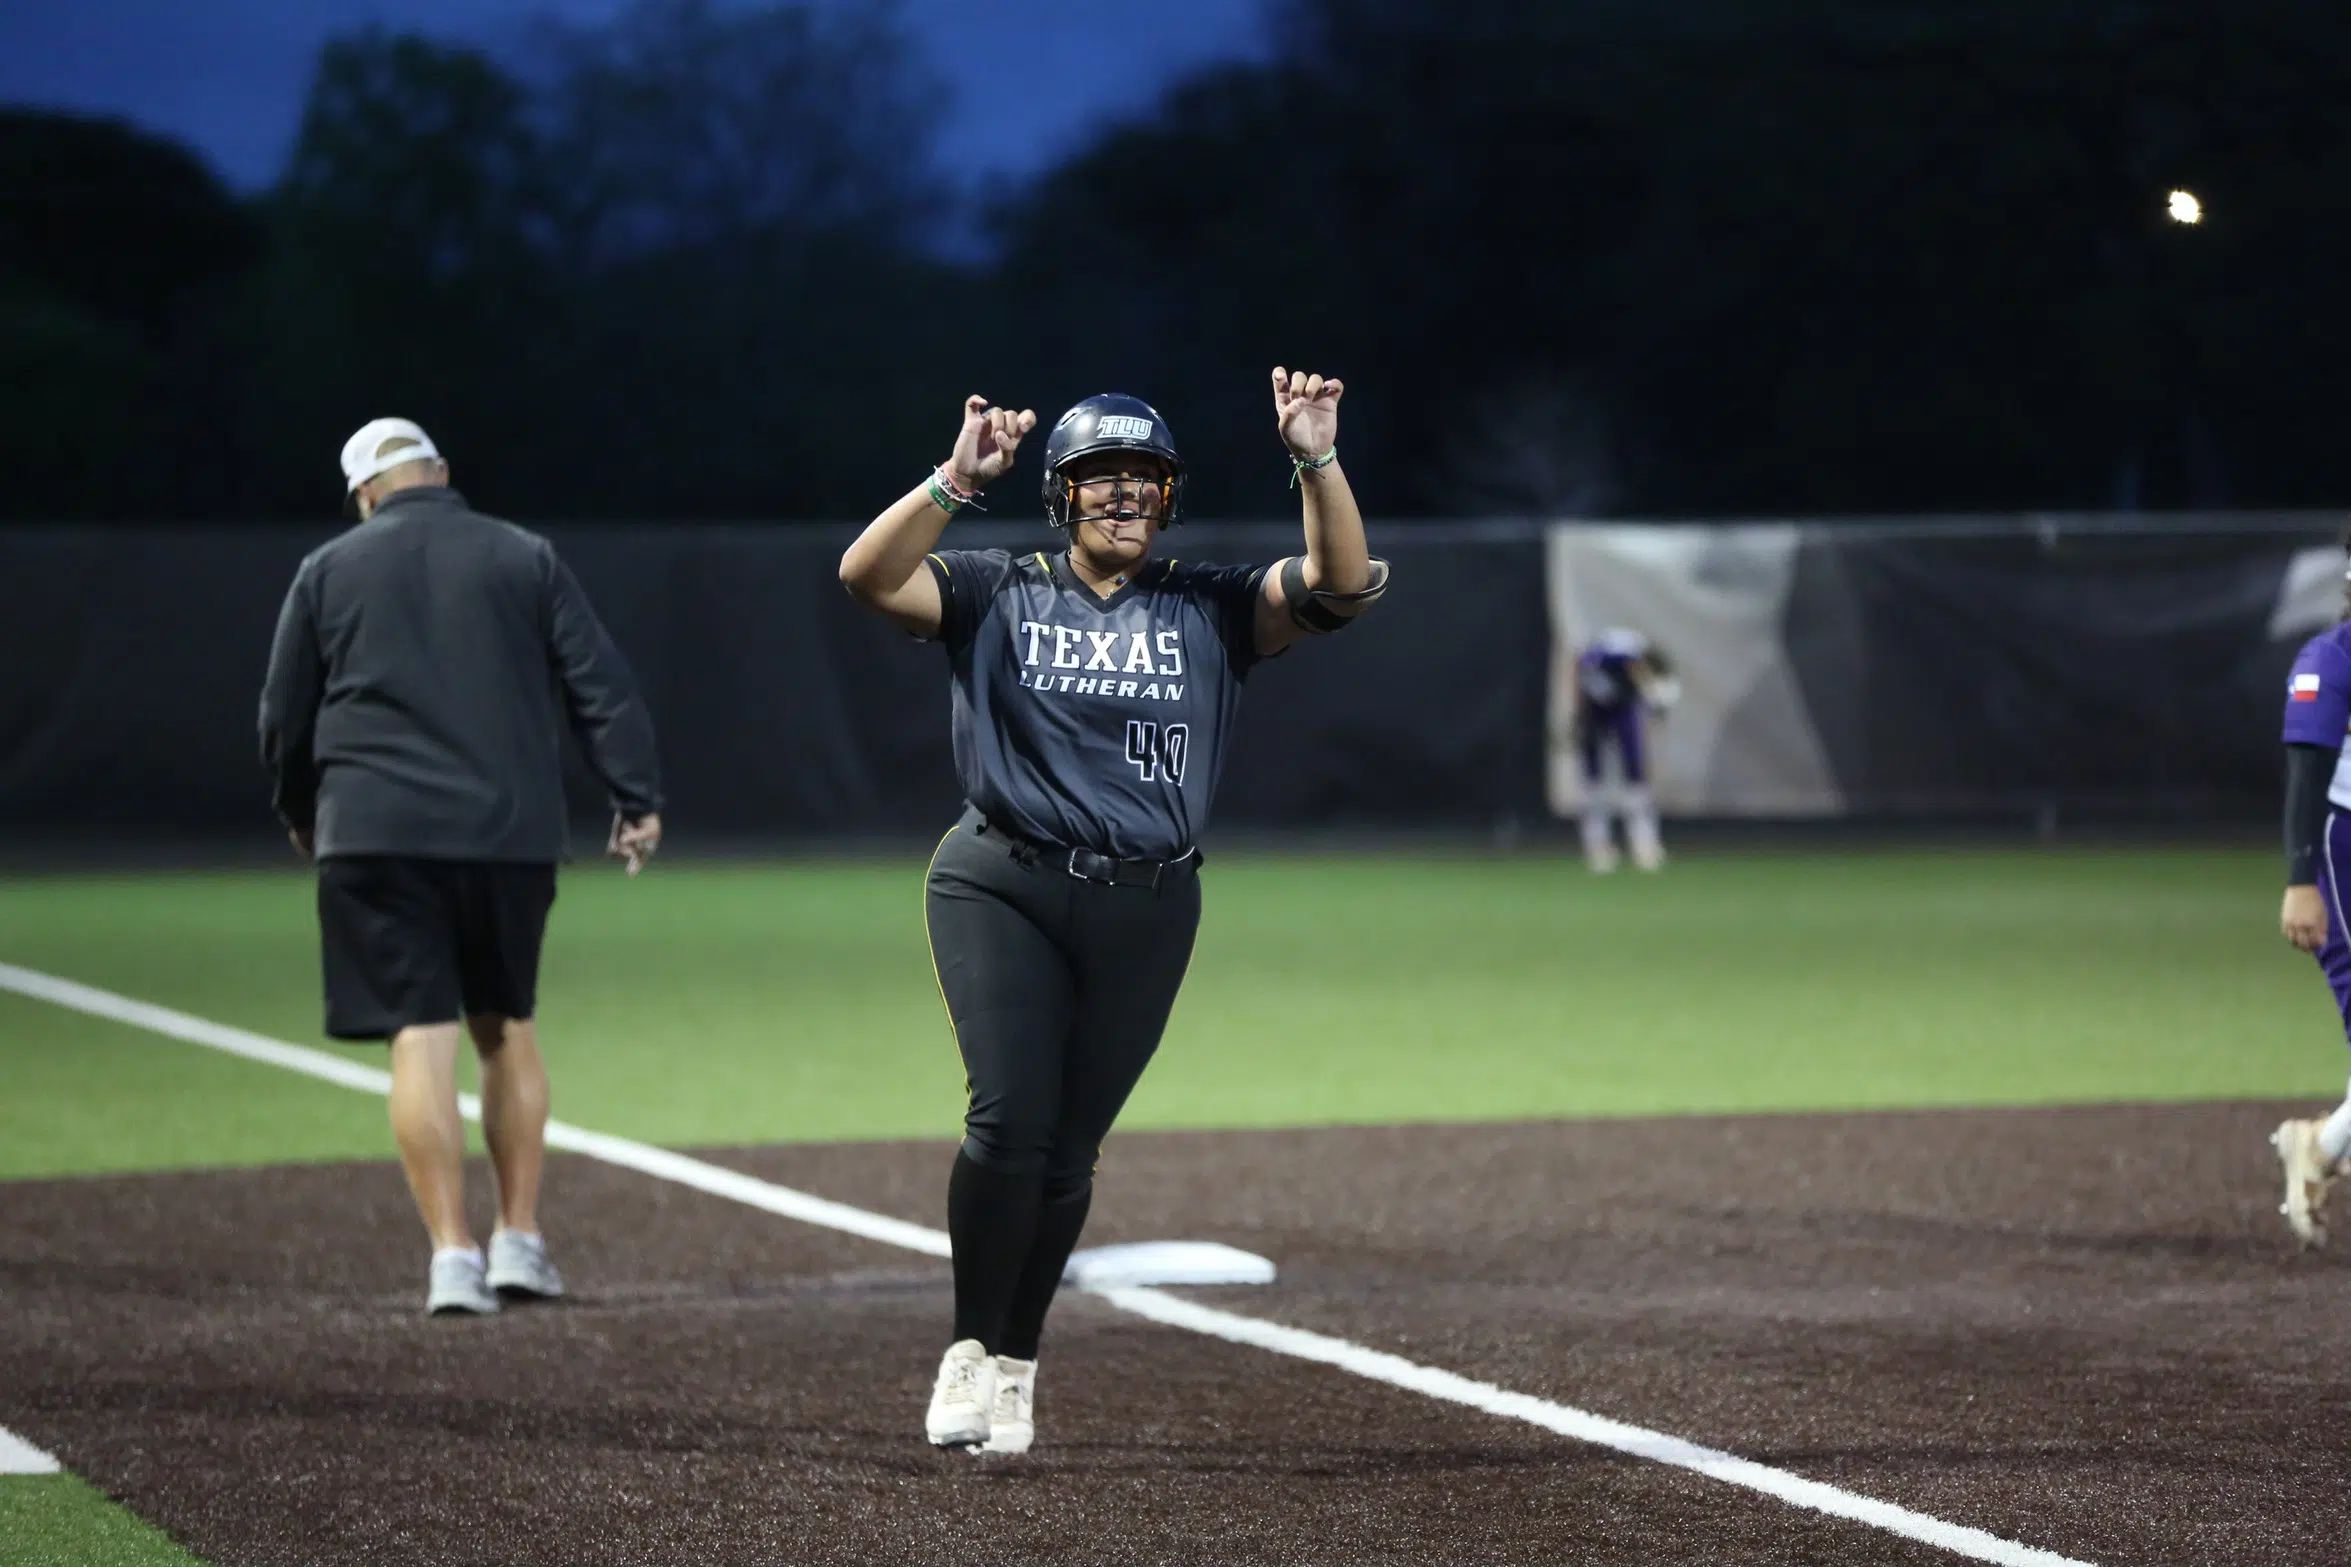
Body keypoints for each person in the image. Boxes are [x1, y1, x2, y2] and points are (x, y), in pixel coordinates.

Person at [837, 371, 1388, 1455]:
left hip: (1148, 902)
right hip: (1002, 878)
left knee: (1069, 1153)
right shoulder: (1000, 587)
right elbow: (866, 576)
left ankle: (1017, 1358)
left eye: (1144, 480)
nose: (1126, 497)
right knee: (1006, 1119)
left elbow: (1339, 582)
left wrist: (1314, 457)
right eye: (1101, 480)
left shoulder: (1210, 605)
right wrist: (954, 481)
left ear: (1168, 497)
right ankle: (964, 1345)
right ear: (1062, 495)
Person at [258, 417, 665, 1315]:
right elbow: (600, 682)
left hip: (375, 833)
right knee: (506, 1023)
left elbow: (284, 716)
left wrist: (299, 814)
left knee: (419, 1031)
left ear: (364, 494)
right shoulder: (523, 555)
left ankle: (452, 1256)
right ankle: (519, 1240)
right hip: (506, 832)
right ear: (440, 472)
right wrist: (633, 795)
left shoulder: (328, 569)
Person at [2272, 539, 2351, 1246]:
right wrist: (2300, 879)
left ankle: (2319, 1147)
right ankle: (2319, 1147)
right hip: (2341, 852)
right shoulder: (2330, 658)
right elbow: (2305, 772)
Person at [1571, 628, 1678, 872]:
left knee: (1635, 777)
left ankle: (1644, 844)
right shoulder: (1601, 660)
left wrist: (1654, 709)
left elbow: (1651, 689)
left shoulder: (1638, 670)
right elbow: (1579, 673)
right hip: (1598, 711)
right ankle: (1597, 845)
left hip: (1620, 708)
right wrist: (1579, 716)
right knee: (1594, 780)